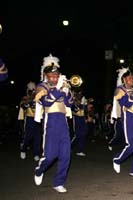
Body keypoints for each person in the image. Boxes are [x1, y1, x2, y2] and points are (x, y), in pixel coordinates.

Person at [33, 54, 73, 193]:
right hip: (50, 121)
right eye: (51, 76)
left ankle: (58, 182)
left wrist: (67, 91)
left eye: (56, 76)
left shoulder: (62, 86)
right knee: (50, 155)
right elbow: (46, 101)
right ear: (46, 76)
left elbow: (70, 104)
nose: (54, 78)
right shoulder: (41, 86)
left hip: (63, 122)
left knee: (66, 155)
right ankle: (39, 170)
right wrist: (58, 89)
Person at [112, 67, 133, 179]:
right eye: (129, 78)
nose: (132, 79)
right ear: (124, 79)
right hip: (128, 118)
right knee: (132, 144)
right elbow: (126, 103)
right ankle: (117, 159)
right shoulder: (119, 90)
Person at [19, 81, 42, 161]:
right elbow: (23, 105)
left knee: (38, 138)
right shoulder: (26, 98)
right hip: (30, 119)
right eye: (31, 90)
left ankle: (36, 153)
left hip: (38, 119)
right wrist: (29, 103)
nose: (33, 92)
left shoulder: (39, 98)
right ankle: (23, 149)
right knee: (28, 136)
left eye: (34, 90)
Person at [71, 91, 87, 156]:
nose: (80, 98)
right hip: (77, 120)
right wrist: (76, 113)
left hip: (82, 120)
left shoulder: (82, 104)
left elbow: (85, 112)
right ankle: (68, 147)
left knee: (83, 135)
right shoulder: (73, 104)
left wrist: (84, 104)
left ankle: (80, 150)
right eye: (78, 96)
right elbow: (70, 111)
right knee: (77, 135)